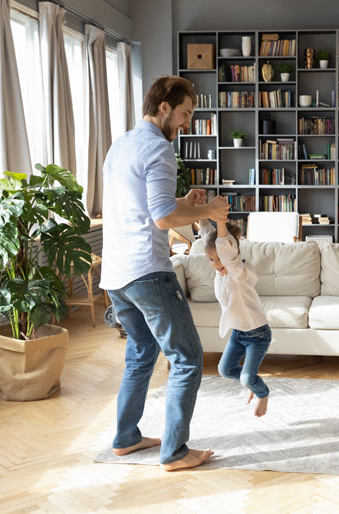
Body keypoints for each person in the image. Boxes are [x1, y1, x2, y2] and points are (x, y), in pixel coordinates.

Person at [100, 75, 230, 471]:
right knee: (188, 356)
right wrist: (206, 211)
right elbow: (162, 219)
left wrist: (184, 203)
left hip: (116, 275)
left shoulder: (120, 146)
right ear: (163, 108)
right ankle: (174, 453)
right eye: (186, 114)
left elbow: (148, 208)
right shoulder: (159, 148)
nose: (188, 123)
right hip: (147, 271)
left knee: (141, 353)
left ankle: (126, 438)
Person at [197, 216, 272, 417]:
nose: (215, 263)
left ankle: (261, 392)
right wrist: (202, 214)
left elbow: (226, 253)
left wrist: (221, 221)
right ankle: (251, 382)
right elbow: (208, 238)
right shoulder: (219, 272)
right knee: (225, 370)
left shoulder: (239, 273)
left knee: (247, 378)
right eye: (211, 260)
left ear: (234, 253)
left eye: (219, 259)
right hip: (239, 333)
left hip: (258, 334)